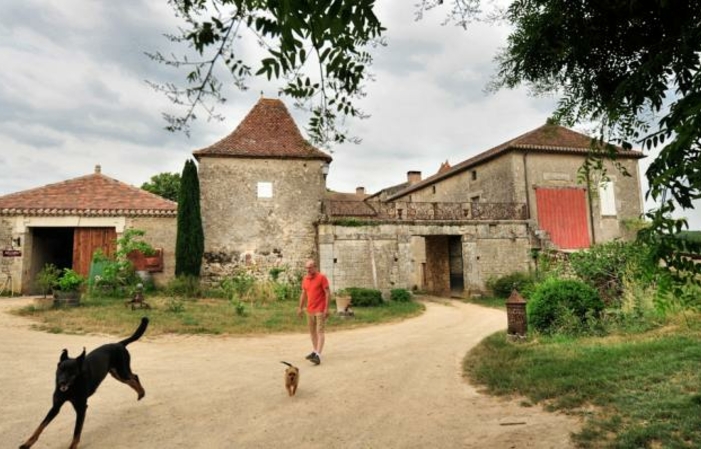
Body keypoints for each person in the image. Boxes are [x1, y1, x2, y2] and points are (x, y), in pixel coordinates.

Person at [297, 259, 330, 365]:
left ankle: (318, 355)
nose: (308, 270)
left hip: (320, 309)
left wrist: (326, 308)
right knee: (312, 332)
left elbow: (327, 293)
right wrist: (300, 308)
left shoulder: (322, 277)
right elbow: (303, 294)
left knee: (320, 331)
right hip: (310, 309)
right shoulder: (305, 279)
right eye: (306, 268)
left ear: (315, 267)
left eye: (310, 267)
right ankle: (315, 351)